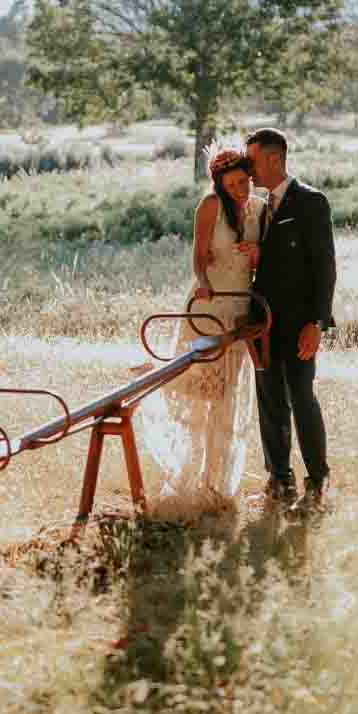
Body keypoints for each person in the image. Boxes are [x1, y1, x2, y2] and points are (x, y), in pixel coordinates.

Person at [138, 146, 262, 516]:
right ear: (220, 184)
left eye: (245, 181)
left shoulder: (259, 207)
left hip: (240, 302)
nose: (241, 188)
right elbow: (198, 255)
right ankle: (188, 477)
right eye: (233, 184)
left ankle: (218, 483)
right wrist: (204, 281)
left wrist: (255, 252)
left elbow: (263, 255)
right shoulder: (210, 206)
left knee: (227, 398)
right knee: (201, 396)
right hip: (209, 303)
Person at [245, 126, 336, 518]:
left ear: (275, 159)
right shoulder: (261, 208)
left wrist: (317, 322)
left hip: (300, 325)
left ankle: (317, 481)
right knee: (269, 402)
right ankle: (280, 479)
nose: (249, 171)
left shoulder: (311, 202)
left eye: (253, 161)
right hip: (263, 326)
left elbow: (325, 267)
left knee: (302, 399)